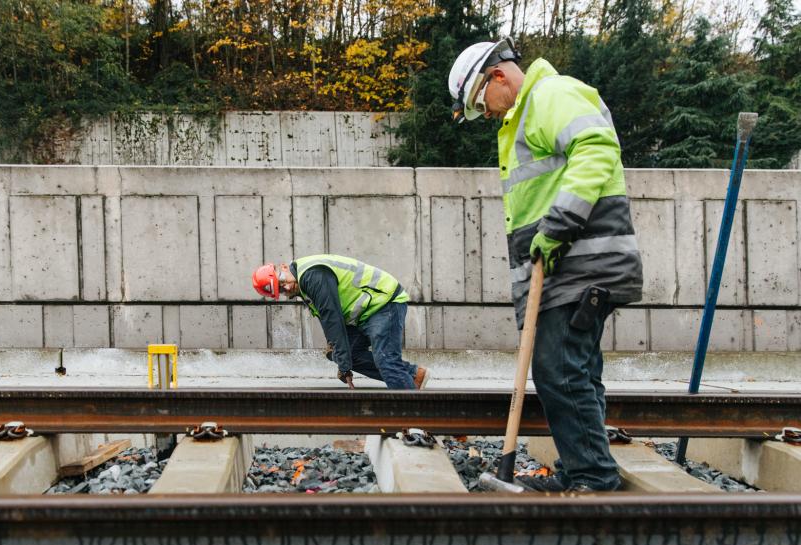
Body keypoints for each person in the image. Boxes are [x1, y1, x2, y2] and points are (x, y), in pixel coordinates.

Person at [448, 37, 643, 492]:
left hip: (582, 264)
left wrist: (558, 226)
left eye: (481, 104)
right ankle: (585, 470)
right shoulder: (526, 113)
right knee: (575, 370)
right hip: (567, 269)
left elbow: (596, 148)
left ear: (498, 76)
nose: (487, 114)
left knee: (558, 368)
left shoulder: (550, 96)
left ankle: (593, 478)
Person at [251, 255, 428, 390]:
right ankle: (413, 375)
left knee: (386, 360)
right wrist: (340, 356)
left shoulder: (312, 275)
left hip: (383, 303)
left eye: (282, 281)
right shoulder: (303, 285)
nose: (287, 288)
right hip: (366, 313)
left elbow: (332, 318)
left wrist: (344, 367)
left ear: (283, 267)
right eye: (281, 290)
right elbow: (329, 320)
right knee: (339, 353)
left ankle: (414, 423)